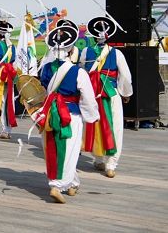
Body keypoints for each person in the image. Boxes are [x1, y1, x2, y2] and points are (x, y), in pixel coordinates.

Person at [36, 25, 99, 204]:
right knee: (70, 150)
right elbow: (87, 97)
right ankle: (57, 185)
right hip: (69, 114)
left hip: (49, 113)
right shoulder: (78, 71)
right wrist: (91, 116)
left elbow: (42, 89)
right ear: (71, 49)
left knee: (52, 148)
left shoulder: (46, 69)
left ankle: (72, 183)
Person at [79, 16, 133, 178]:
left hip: (90, 95)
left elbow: (81, 72)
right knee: (114, 127)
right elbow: (125, 76)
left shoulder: (85, 52)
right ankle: (111, 163)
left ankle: (99, 159)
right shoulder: (116, 54)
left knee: (92, 125)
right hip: (110, 94)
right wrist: (126, 93)